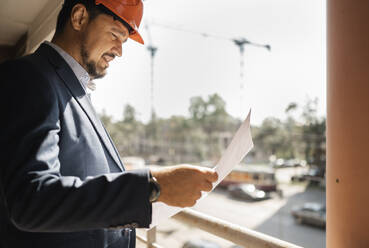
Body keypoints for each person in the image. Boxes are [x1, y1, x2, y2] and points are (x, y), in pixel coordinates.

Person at [0, 0, 218, 247]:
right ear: (80, 17)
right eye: (115, 35)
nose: (119, 51)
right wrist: (153, 187)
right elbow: (31, 200)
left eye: (124, 42)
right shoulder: (30, 78)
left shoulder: (73, 91)